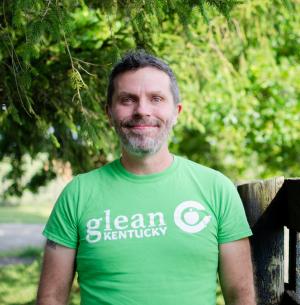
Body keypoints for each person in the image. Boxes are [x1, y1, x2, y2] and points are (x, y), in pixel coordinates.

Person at [36, 50, 256, 305]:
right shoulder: (77, 194)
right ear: (109, 113)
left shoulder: (217, 189)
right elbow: (50, 298)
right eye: (127, 99)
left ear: (176, 111)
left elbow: (241, 296)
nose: (142, 110)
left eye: (156, 98)